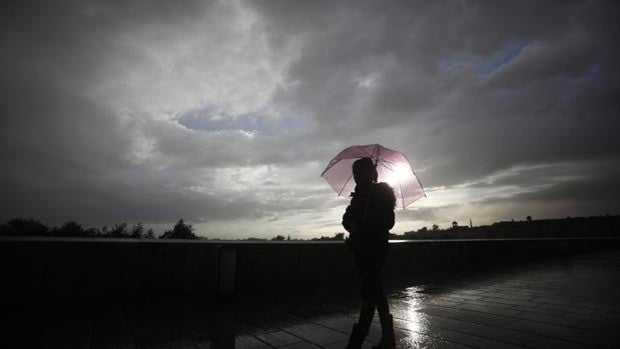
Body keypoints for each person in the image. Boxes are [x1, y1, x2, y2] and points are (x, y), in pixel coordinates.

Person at [342, 157, 396, 349]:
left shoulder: (381, 192)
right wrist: (352, 224)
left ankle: (356, 342)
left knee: (369, 292)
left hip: (374, 250)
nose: (356, 176)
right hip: (361, 250)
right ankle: (388, 339)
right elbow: (346, 219)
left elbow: (388, 222)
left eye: (360, 172)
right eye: (355, 173)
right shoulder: (358, 195)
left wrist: (367, 224)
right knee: (376, 293)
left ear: (369, 172)